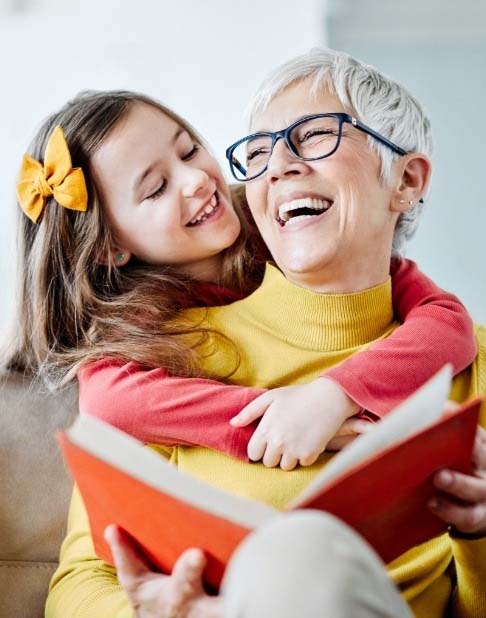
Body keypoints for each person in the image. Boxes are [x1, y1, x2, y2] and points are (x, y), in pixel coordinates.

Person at [8, 53, 482, 616]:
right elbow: (82, 582)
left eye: (314, 137)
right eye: (259, 151)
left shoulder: (456, 345)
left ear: (406, 180)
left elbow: (449, 324)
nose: (277, 165)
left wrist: (476, 536)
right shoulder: (156, 358)